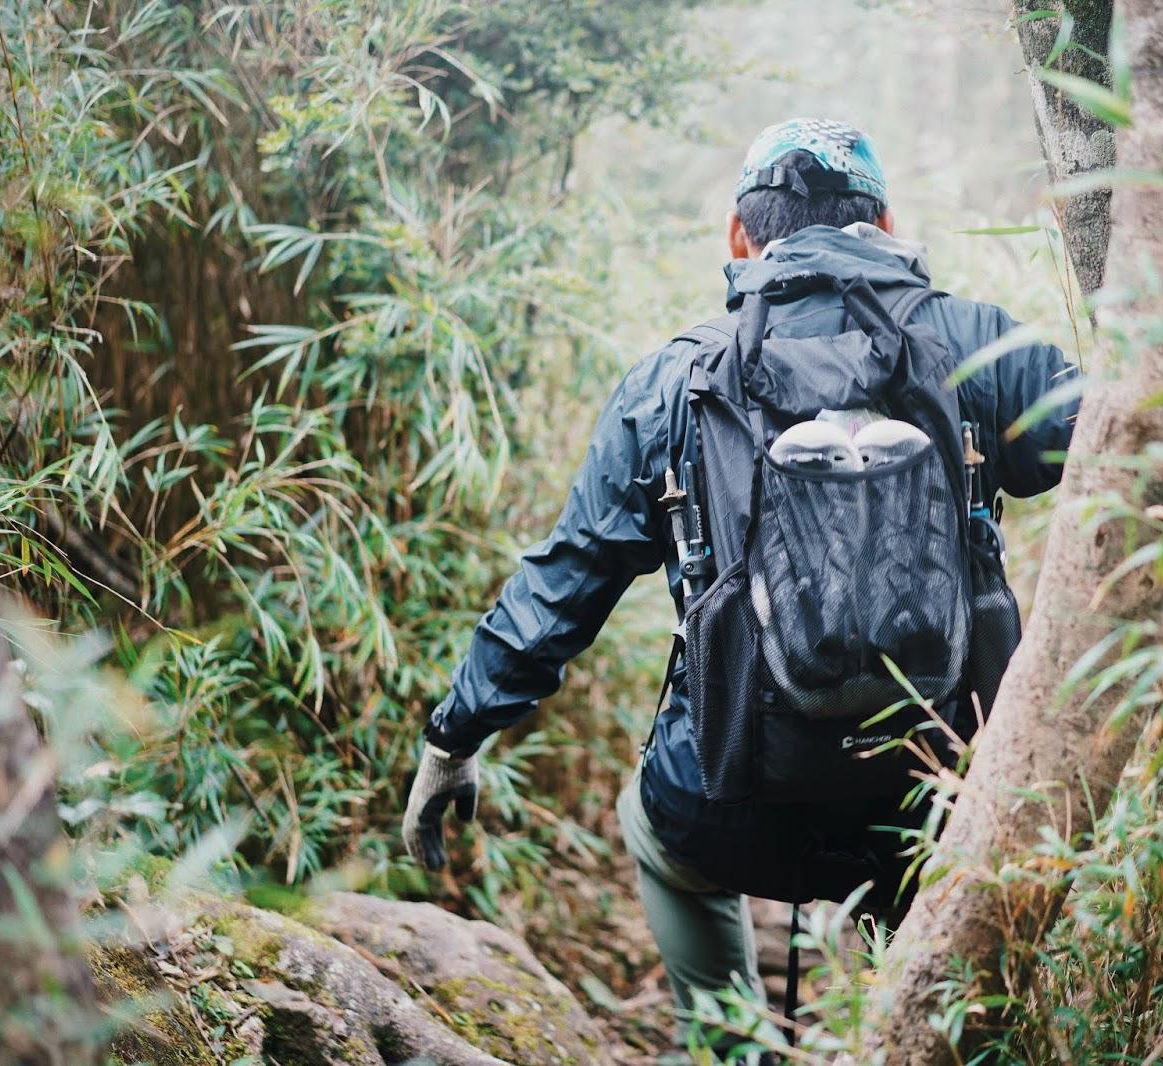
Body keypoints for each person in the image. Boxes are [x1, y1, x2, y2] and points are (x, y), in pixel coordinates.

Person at [403, 117, 1080, 1052]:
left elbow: (563, 587)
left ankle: (733, 1044)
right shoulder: (977, 346)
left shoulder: (676, 380)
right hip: (935, 795)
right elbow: (1129, 454)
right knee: (917, 897)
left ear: (739, 236)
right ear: (883, 222)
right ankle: (900, 1015)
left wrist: (454, 737)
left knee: (655, 835)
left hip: (729, 802)